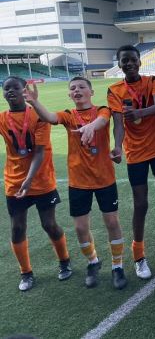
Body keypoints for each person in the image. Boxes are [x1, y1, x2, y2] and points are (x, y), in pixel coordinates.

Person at [26, 77, 127, 289]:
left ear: (91, 92)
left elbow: (101, 120)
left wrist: (90, 127)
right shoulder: (68, 115)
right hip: (78, 181)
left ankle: (117, 266)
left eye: (82, 87)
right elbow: (51, 118)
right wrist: (35, 102)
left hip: (104, 179)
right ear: (69, 95)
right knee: (81, 228)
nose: (77, 90)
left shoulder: (102, 110)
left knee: (112, 223)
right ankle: (93, 262)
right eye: (73, 88)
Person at [107, 45, 155, 279]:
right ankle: (139, 256)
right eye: (124, 60)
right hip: (135, 153)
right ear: (120, 64)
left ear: (139, 62)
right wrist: (117, 146)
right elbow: (117, 124)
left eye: (133, 59)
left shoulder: (152, 81)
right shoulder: (114, 90)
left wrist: (139, 113)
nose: (129, 63)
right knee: (141, 205)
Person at [1, 76, 72, 291]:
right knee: (17, 228)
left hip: (40, 180)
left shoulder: (38, 117)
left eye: (15, 87)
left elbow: (39, 153)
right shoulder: (3, 118)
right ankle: (26, 273)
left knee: (49, 225)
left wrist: (28, 180)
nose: (10, 91)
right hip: (14, 182)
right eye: (6, 88)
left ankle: (64, 261)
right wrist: (21, 182)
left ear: (25, 90)